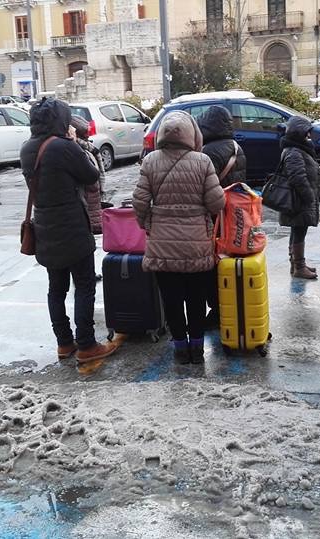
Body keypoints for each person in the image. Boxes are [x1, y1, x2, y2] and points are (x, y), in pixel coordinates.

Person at [20, 98, 118, 364]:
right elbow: (90, 175)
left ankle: (64, 342)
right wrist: (74, 143)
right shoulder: (63, 147)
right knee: (84, 286)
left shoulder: (28, 148)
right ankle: (86, 344)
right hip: (72, 227)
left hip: (45, 229)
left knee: (56, 288)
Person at [133, 111, 226, 364]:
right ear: (192, 135)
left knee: (171, 300)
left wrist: (148, 224)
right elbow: (217, 203)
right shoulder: (202, 161)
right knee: (195, 299)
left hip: (162, 245)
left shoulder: (150, 161)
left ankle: (179, 350)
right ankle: (197, 349)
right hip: (197, 243)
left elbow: (139, 202)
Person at [198, 105, 248, 324]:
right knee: (232, 260)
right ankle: (234, 305)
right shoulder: (236, 147)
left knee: (213, 263)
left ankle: (217, 310)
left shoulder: (207, 152)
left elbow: (204, 188)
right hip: (235, 215)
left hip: (215, 215)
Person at [278, 116, 320, 280]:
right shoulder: (294, 151)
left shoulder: (299, 148)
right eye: (307, 133)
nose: (309, 136)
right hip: (298, 200)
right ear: (299, 133)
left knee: (297, 230)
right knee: (299, 231)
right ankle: (299, 267)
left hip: (301, 199)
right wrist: (309, 196)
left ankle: (296, 263)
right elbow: (297, 177)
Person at [69, 115, 105, 235]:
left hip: (91, 200)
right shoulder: (78, 150)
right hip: (86, 201)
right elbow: (92, 176)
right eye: (86, 132)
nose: (89, 134)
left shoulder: (88, 148)